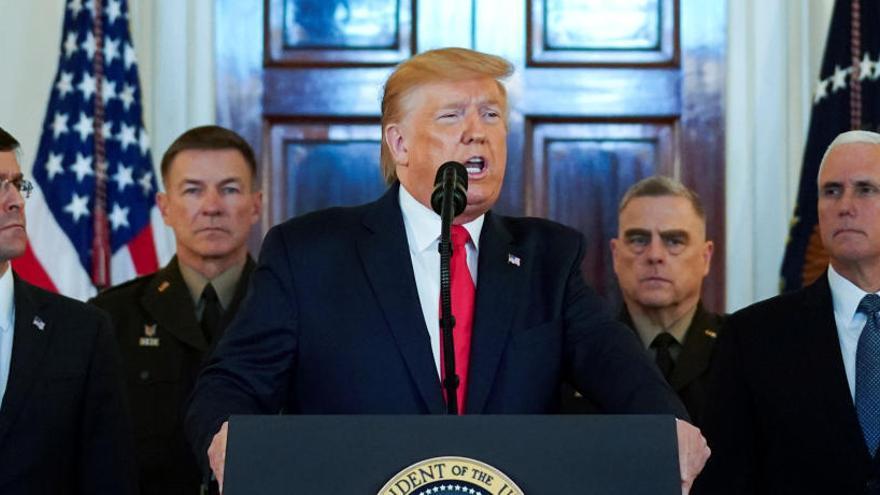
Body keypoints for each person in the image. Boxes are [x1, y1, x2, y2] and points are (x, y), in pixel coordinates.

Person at [185, 48, 710, 492]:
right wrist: (227, 438)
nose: (477, 133)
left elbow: (615, 364)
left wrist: (671, 426)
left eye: (491, 115)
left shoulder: (549, 258)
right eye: (452, 116)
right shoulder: (310, 253)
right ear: (399, 144)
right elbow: (231, 383)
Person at [695, 130, 880, 494]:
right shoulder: (752, 336)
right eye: (831, 191)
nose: (845, 205)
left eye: (865, 189)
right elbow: (724, 482)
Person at [91, 126, 261, 495]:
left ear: (256, 205)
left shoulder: (296, 309)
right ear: (165, 208)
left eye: (230, 189)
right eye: (193, 190)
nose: (212, 206)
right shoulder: (110, 316)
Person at [0, 126, 137, 493]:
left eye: (17, 184)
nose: (15, 200)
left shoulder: (82, 331)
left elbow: (111, 477)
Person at [561, 176, 722, 426]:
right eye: (639, 240)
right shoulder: (576, 353)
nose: (655, 255)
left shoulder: (738, 347)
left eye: (674, 241)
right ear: (615, 255)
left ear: (705, 256)